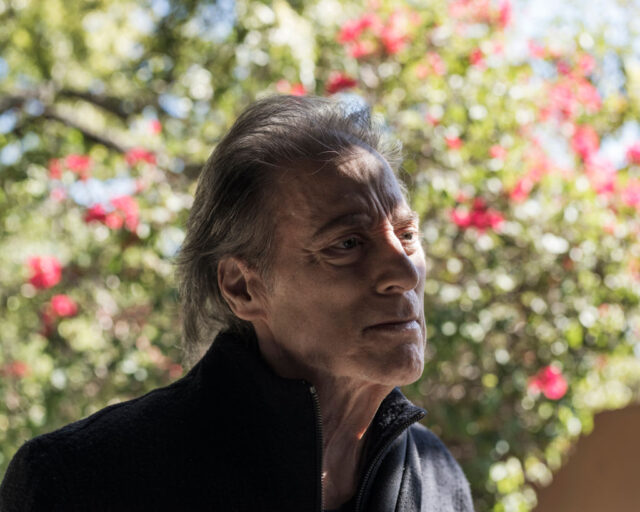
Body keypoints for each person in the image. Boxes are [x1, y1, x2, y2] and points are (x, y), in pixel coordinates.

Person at [0, 95, 473, 511]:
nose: (405, 273)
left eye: (407, 236)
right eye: (346, 244)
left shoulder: (437, 479)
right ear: (243, 288)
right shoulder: (79, 480)